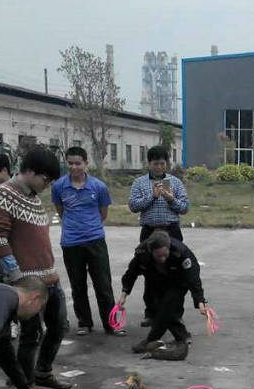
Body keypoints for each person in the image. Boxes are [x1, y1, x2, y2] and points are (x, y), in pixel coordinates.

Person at [0, 146, 72, 389]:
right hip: (26, 281)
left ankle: (42, 372)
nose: (48, 185)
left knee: (59, 326)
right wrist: (17, 278)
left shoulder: (33, 197)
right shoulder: (3, 194)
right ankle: (26, 387)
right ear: (31, 171)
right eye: (46, 179)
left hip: (49, 277)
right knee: (31, 334)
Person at [52, 146, 120, 337]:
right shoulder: (59, 186)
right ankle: (84, 323)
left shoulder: (99, 187)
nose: (74, 167)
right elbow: (61, 211)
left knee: (103, 285)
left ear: (86, 164)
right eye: (70, 163)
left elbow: (103, 214)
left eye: (78, 163)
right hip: (71, 242)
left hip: (95, 240)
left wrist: (90, 226)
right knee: (78, 285)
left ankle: (111, 324)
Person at [117, 230, 208, 355]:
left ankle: (151, 340)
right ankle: (183, 336)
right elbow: (131, 273)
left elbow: (193, 278)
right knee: (158, 307)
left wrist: (200, 302)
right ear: (151, 251)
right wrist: (124, 294)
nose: (163, 259)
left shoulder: (181, 253)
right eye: (158, 256)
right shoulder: (142, 253)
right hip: (157, 279)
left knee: (168, 306)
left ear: (169, 248)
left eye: (165, 255)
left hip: (178, 279)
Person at [128, 145, 189, 326]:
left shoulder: (175, 182)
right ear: (149, 163)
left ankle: (175, 313)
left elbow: (185, 207)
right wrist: (152, 196)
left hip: (171, 231)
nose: (159, 167)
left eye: (162, 164)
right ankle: (151, 313)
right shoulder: (139, 183)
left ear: (166, 164)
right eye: (155, 164)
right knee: (150, 273)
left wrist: (171, 199)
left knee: (175, 272)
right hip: (149, 231)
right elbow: (133, 206)